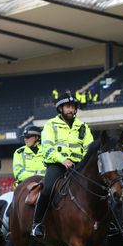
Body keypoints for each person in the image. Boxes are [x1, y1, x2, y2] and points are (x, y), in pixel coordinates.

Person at [31, 95, 93, 238]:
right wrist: (63, 160)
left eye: (73, 107)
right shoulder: (50, 125)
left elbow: (89, 148)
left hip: (78, 166)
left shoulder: (83, 126)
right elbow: (47, 148)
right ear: (61, 109)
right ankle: (37, 223)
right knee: (47, 190)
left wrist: (84, 163)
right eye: (68, 107)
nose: (71, 109)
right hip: (57, 165)